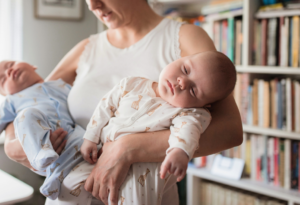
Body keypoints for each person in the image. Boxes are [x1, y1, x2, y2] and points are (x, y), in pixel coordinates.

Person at [4, 0, 243, 204]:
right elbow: (30, 100)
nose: (93, 5)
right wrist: (11, 143)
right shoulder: (86, 48)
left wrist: (126, 148)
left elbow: (230, 131)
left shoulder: (183, 37)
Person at [59, 50, 236, 204]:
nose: (182, 82)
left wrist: (179, 152)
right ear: (180, 58)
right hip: (99, 154)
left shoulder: (189, 113)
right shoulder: (131, 84)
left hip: (143, 173)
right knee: (68, 188)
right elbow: (105, 107)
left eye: (193, 91)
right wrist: (91, 136)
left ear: (204, 105)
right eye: (185, 70)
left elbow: (187, 132)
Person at [0, 61, 85, 199]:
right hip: (40, 136)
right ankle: (41, 153)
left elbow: (80, 100)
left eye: (10, 65)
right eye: (3, 80)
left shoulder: (60, 85)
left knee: (84, 139)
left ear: (32, 65)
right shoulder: (12, 101)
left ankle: (53, 180)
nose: (8, 72)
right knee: (27, 114)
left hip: (68, 133)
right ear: (6, 93)